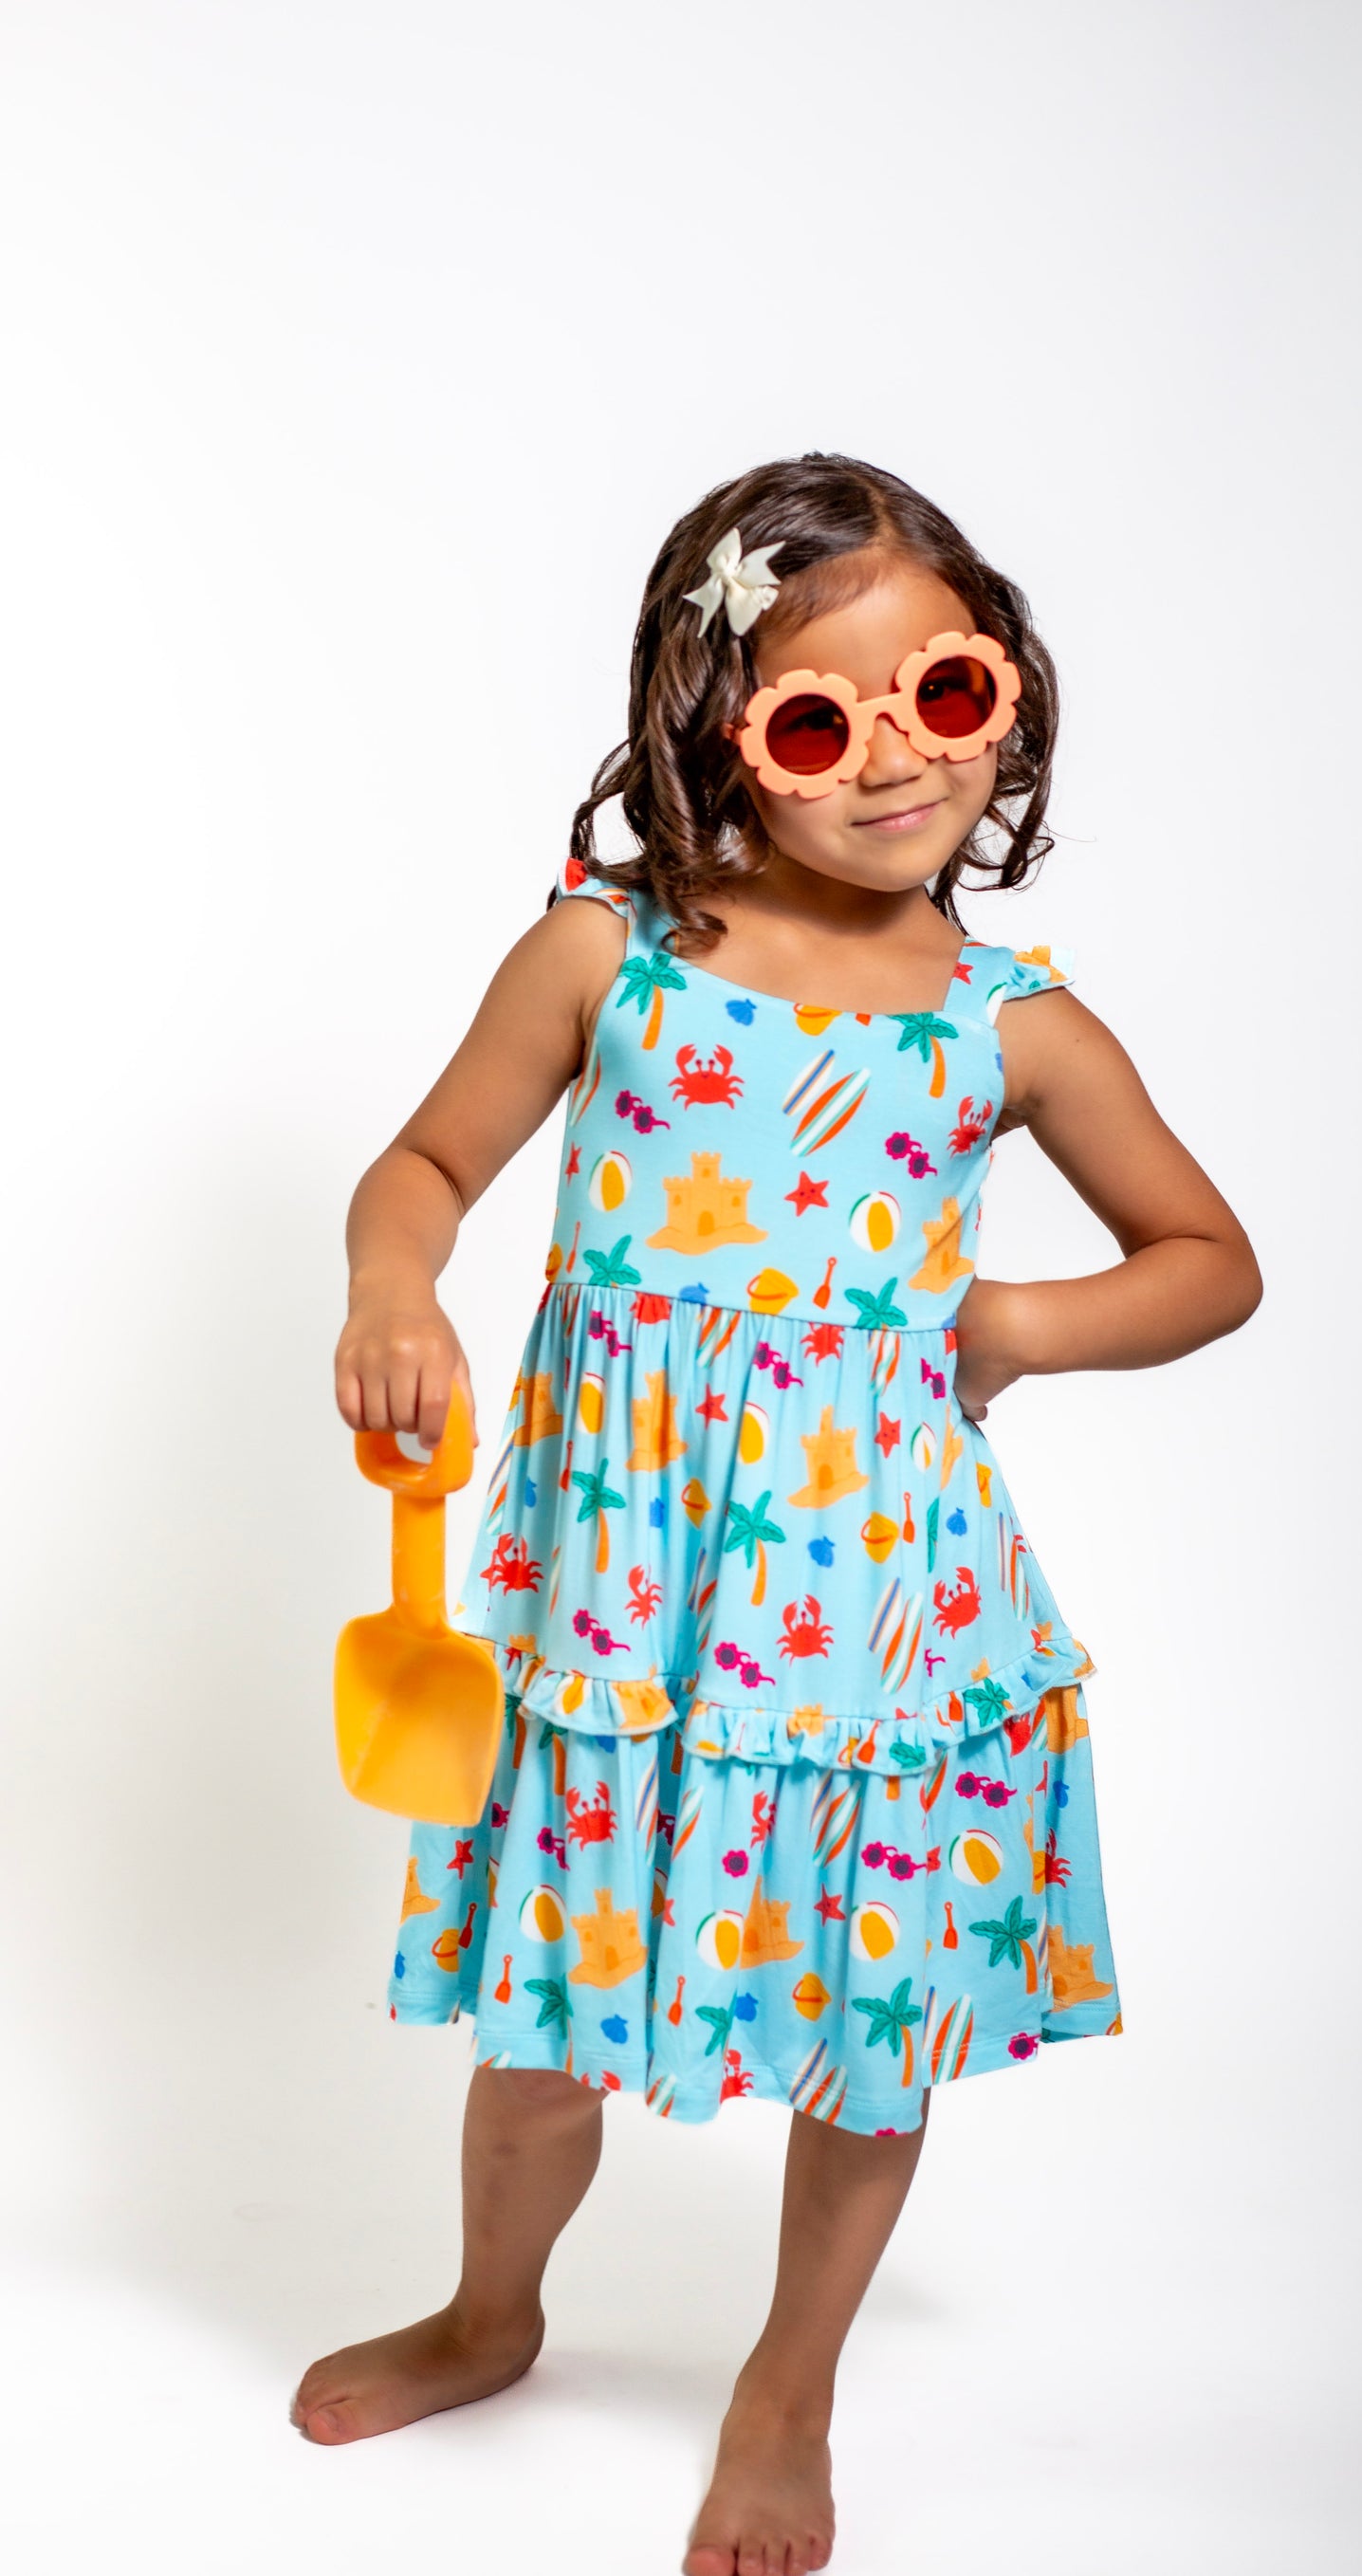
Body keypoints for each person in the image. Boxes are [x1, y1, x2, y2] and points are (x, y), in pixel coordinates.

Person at [292, 452, 1261, 2575]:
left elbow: (1210, 1260)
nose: (894, 761)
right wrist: (393, 1286)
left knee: (865, 2033)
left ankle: (787, 2388)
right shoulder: (610, 955)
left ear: (1006, 694)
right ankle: (490, 2307)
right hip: (619, 1614)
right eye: (821, 722)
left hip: (883, 1618)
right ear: (717, 728)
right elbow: (424, 1166)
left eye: (945, 693)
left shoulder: (1010, 1022)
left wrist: (1015, 1320)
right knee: (540, 2033)